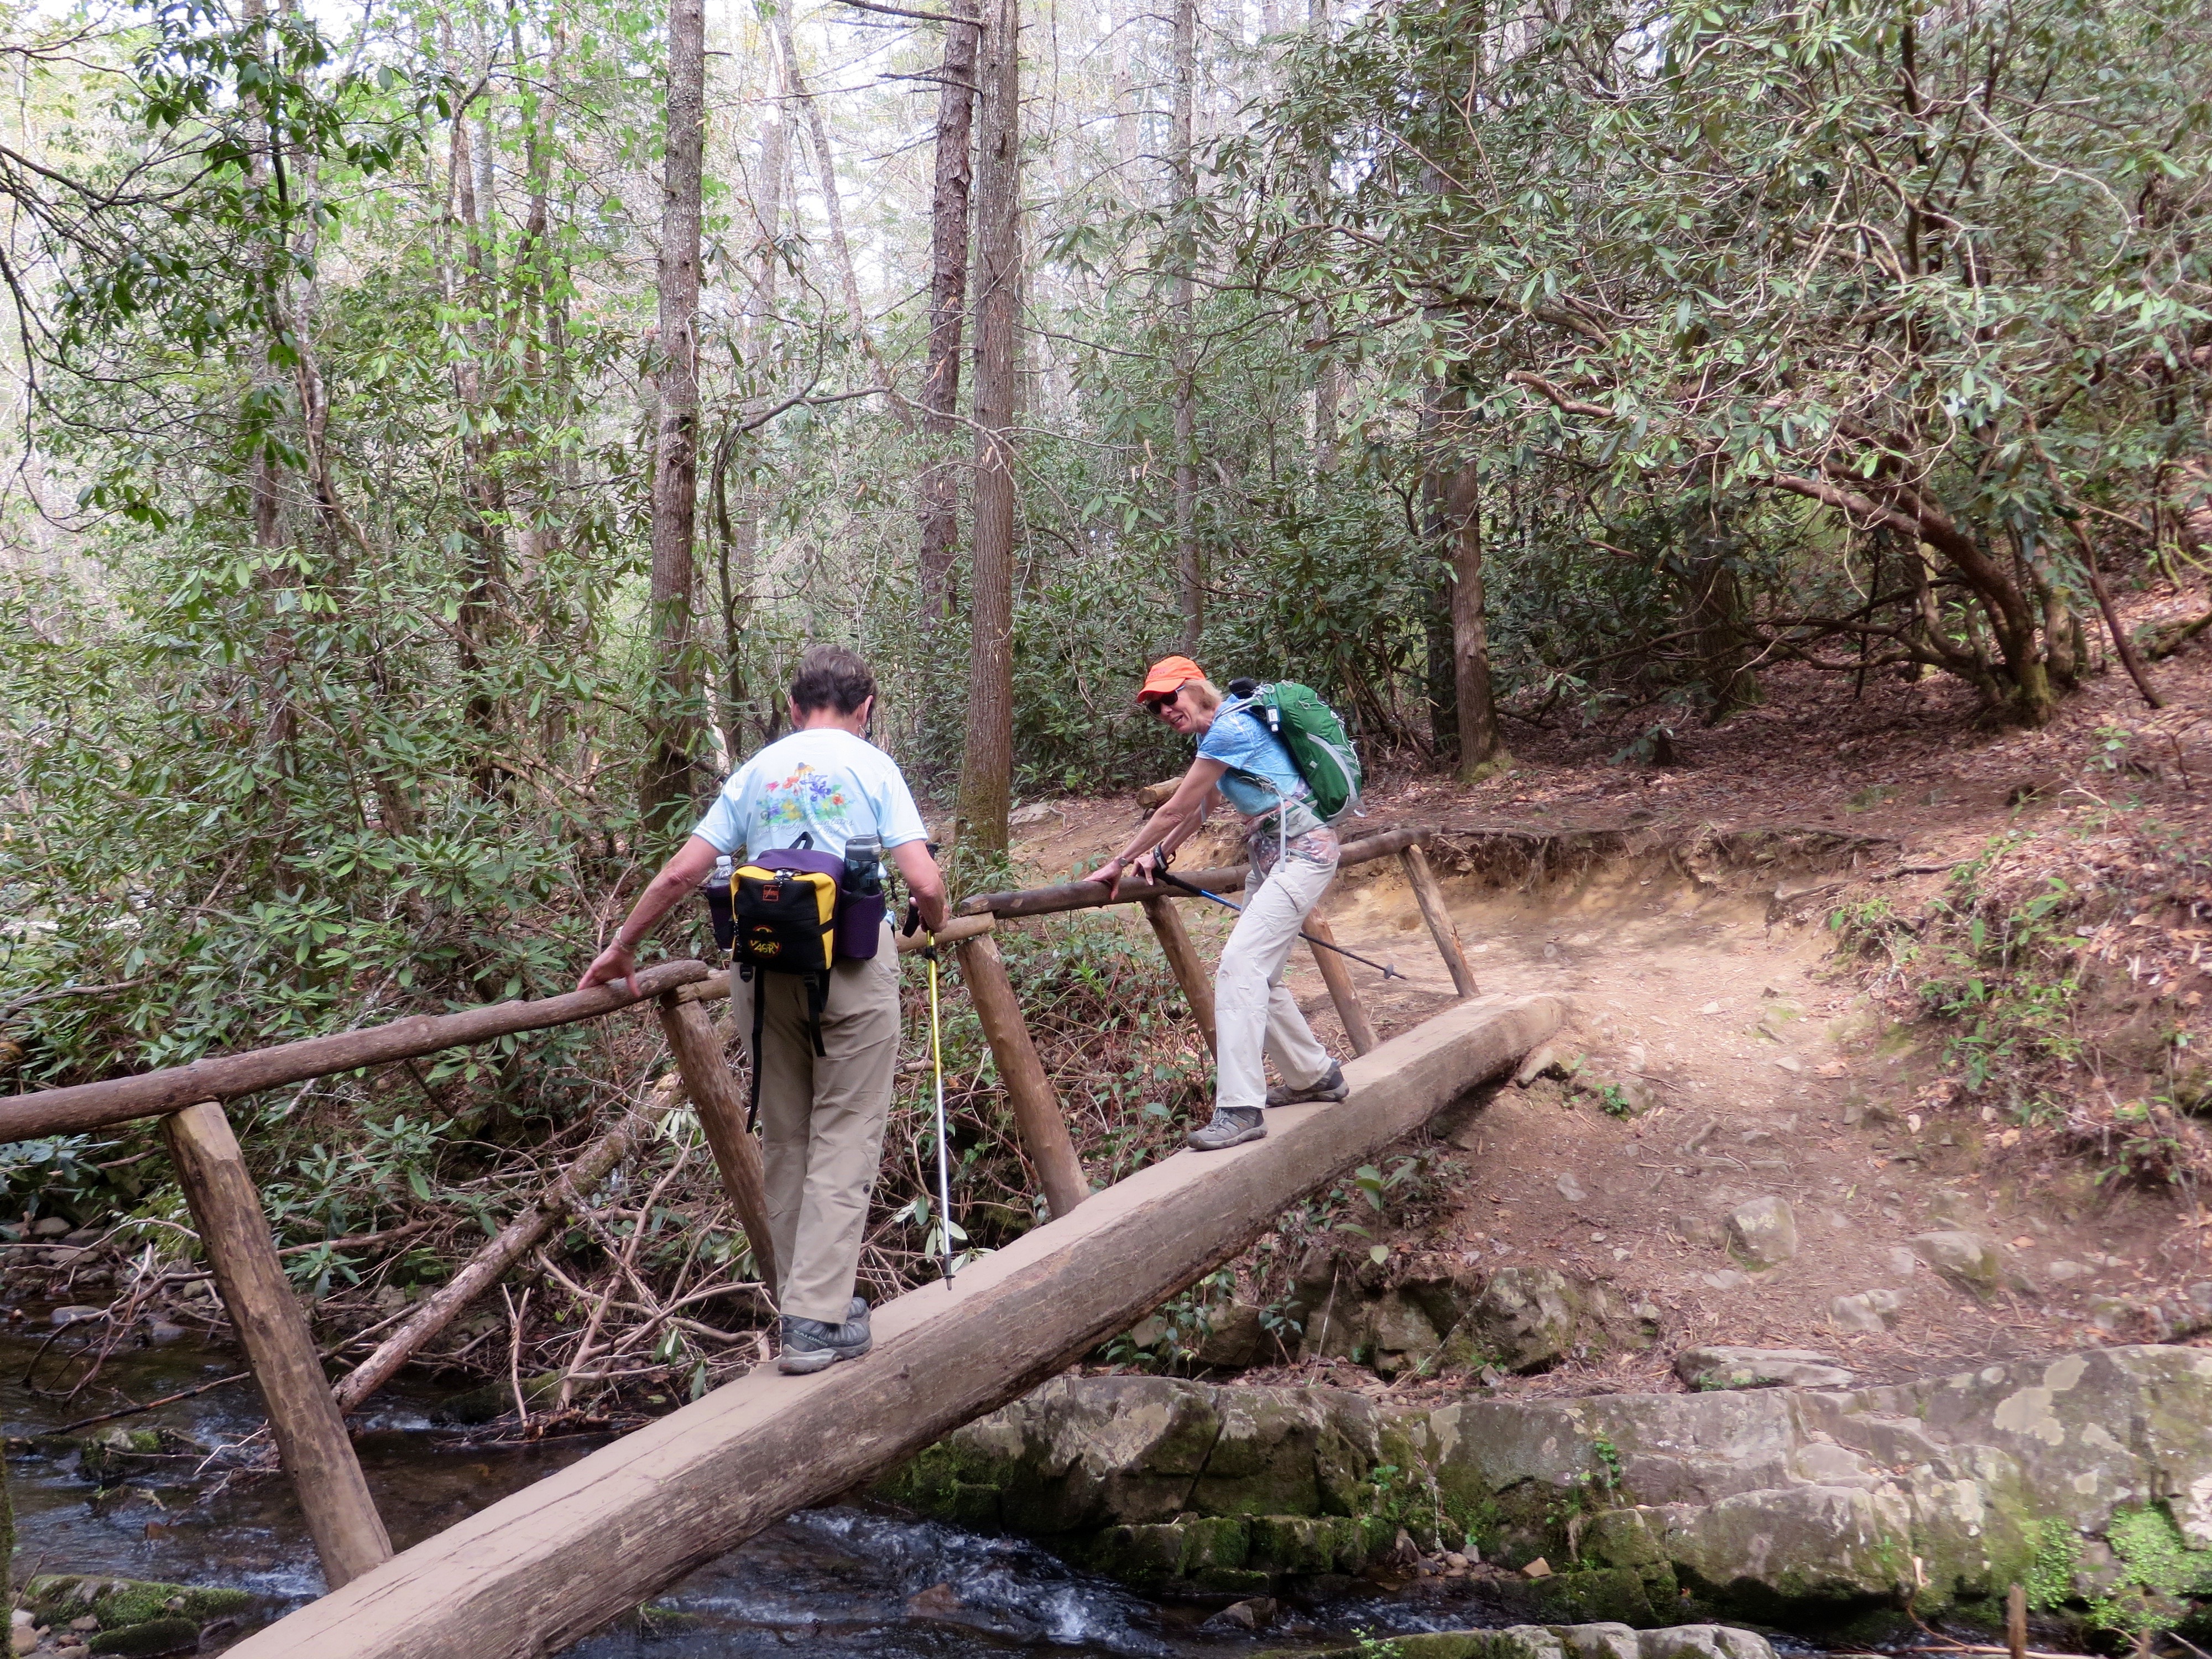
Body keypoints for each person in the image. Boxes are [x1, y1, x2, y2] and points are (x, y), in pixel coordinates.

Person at [578, 645, 947, 1374]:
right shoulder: (874, 766)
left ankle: (807, 1302)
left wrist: (622, 946)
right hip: (852, 964)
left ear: (793, 706)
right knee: (846, 1134)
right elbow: (924, 881)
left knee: (788, 1138)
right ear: (867, 707)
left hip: (761, 969)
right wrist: (932, 918)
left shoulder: (756, 771)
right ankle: (814, 1324)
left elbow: (687, 870)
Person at [1086, 655, 1347, 1152]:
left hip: (1304, 852)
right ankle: (1315, 1076)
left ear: (1195, 688)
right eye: (1154, 707)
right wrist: (1159, 854)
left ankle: (1240, 1108)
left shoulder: (1230, 729)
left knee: (1239, 965)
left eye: (1170, 698)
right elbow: (1203, 807)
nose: (1164, 710)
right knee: (1260, 975)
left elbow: (1175, 807)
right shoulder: (1214, 737)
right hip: (1274, 855)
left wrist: (1120, 860)